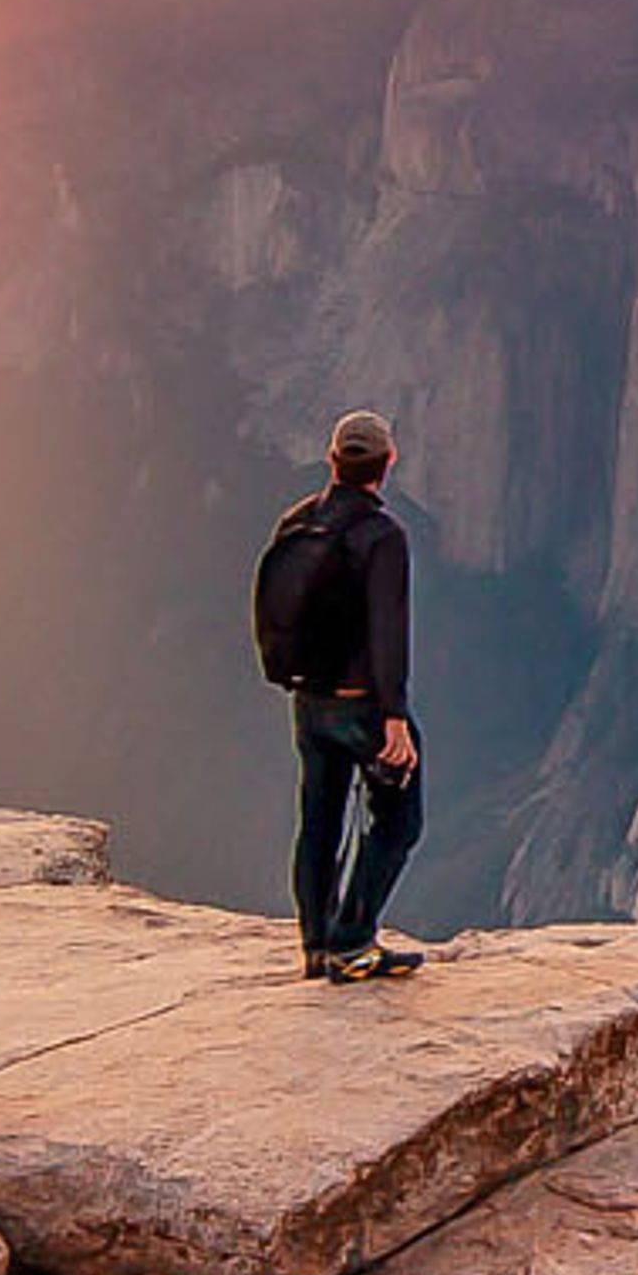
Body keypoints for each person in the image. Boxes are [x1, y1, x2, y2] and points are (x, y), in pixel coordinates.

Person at [263, 409, 426, 981]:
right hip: (363, 707)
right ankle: (352, 941)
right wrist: (394, 716)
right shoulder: (383, 537)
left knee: (319, 820)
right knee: (398, 820)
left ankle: (316, 945)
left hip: (309, 705)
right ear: (388, 463)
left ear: (333, 460)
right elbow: (388, 630)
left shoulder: (296, 523)